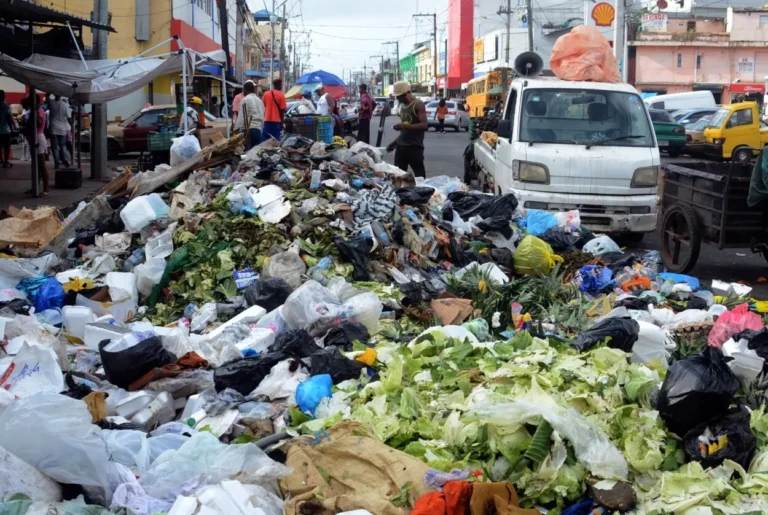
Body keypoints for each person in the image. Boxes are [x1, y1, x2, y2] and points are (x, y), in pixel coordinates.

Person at [386, 81, 428, 179]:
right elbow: (404, 131)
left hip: (414, 147)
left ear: (406, 93)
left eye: (399, 96)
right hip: (401, 147)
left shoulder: (418, 104)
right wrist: (394, 143)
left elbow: (424, 125)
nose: (397, 98)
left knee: (420, 177)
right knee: (399, 177)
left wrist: (404, 126)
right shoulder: (403, 106)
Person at [21, 96, 48, 195]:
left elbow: (38, 124)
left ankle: (45, 189)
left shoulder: (38, 111)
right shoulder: (34, 111)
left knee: (41, 165)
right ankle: (35, 187)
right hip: (34, 138)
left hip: (38, 138)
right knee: (35, 166)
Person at [238, 81, 265, 150]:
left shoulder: (245, 100)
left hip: (249, 130)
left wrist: (236, 130)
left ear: (245, 90)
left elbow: (241, 117)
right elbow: (262, 115)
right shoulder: (260, 101)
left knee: (248, 153)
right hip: (258, 129)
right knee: (256, 153)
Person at [48, 95, 71, 169]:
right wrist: (71, 126)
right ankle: (65, 160)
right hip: (62, 129)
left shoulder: (51, 103)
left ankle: (57, 163)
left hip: (53, 128)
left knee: (54, 147)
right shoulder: (64, 105)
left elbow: (47, 95)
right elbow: (68, 117)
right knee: (63, 146)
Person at [0, 91, 13, 168]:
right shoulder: (6, 107)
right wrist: (14, 126)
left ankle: (1, 159)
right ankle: (5, 161)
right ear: (4, 97)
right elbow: (10, 119)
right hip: (5, 130)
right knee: (6, 147)